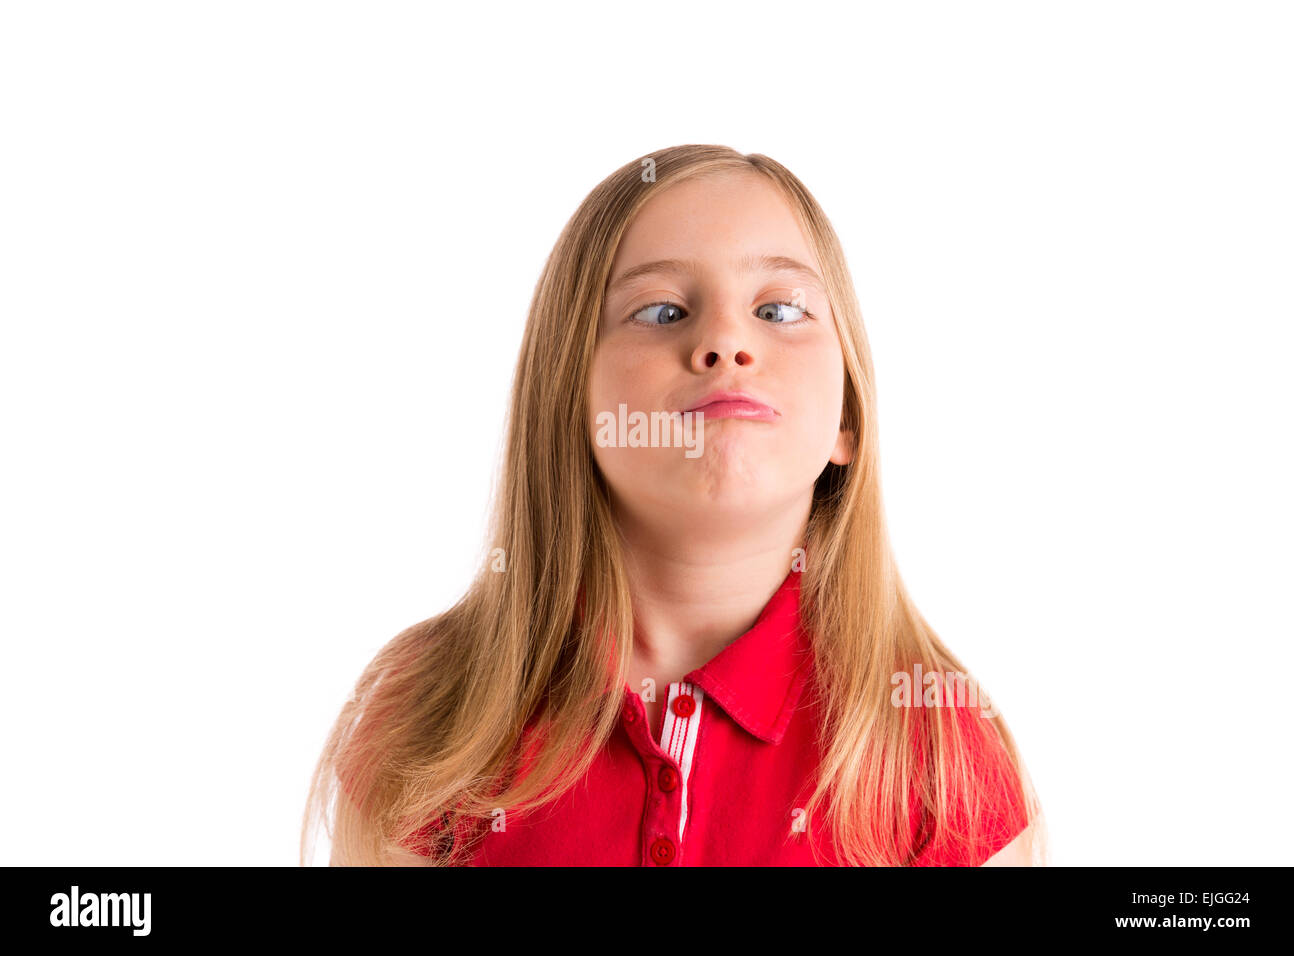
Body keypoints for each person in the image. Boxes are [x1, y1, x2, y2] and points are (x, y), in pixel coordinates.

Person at [301, 144, 1047, 866]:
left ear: (847, 420)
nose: (725, 342)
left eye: (780, 310)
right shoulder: (434, 710)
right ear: (569, 401)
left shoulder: (936, 751)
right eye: (662, 312)